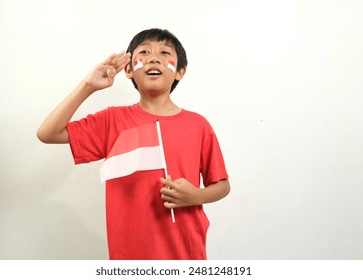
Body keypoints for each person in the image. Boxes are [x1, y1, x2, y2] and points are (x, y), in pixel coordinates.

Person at [37, 28, 230, 260]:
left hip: (186, 251)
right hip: (130, 256)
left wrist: (196, 196)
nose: (154, 57)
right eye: (145, 51)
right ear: (128, 70)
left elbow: (222, 185)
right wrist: (88, 86)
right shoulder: (112, 120)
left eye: (165, 52)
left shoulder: (198, 125)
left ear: (180, 72)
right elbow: (47, 133)